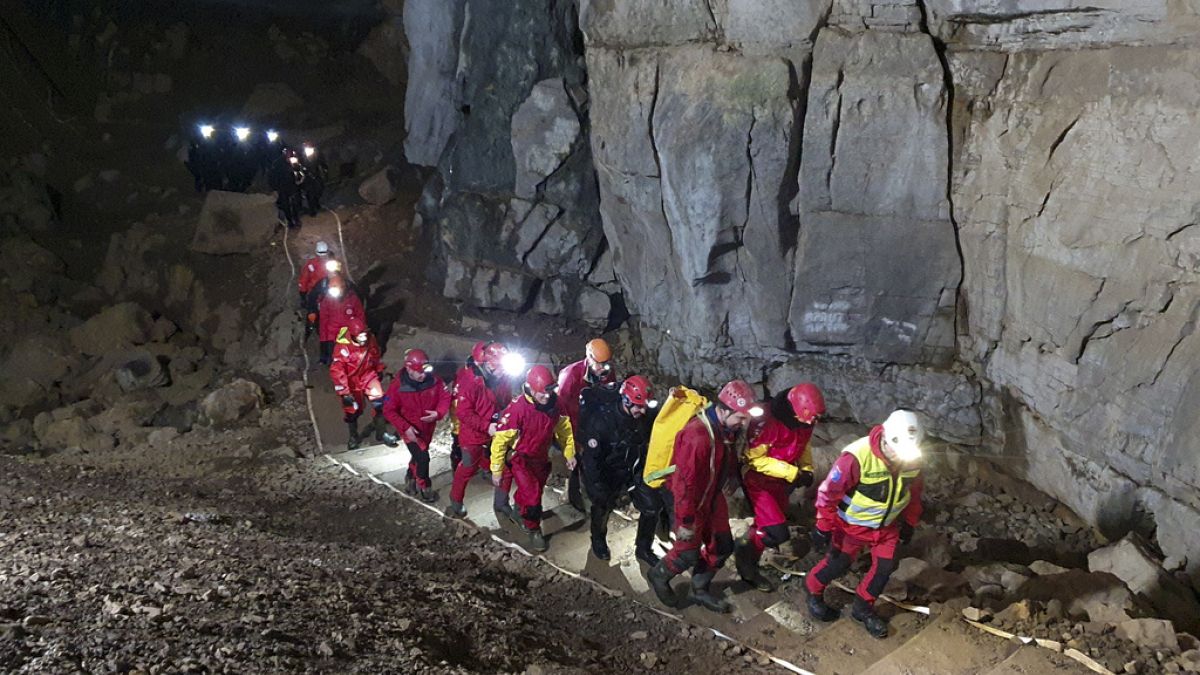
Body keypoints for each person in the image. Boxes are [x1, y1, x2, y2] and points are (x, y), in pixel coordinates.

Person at [804, 409, 926, 639]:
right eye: (897, 451)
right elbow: (828, 493)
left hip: (886, 527)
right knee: (838, 564)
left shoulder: (912, 456)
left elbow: (915, 492)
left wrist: (910, 521)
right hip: (851, 526)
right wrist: (823, 526)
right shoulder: (856, 457)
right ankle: (812, 589)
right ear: (887, 439)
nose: (901, 458)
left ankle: (863, 608)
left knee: (885, 568)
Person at [646, 380, 763, 613]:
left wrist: (729, 476)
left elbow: (725, 455)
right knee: (687, 551)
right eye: (740, 417)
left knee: (722, 545)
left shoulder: (725, 430)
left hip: (711, 496)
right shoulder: (697, 437)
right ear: (723, 410)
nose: (743, 423)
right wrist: (686, 522)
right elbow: (684, 486)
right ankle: (658, 575)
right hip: (691, 502)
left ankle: (699, 589)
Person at [733, 383, 826, 592]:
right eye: (810, 417)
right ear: (797, 409)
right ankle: (744, 552)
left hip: (781, 481)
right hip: (759, 482)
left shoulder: (804, 421)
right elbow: (755, 459)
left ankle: (749, 558)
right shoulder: (767, 422)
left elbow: (804, 444)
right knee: (777, 533)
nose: (812, 422)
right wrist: (793, 473)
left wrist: (806, 468)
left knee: (766, 525)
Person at [489, 365, 576, 553]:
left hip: (540, 456)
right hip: (521, 458)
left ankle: (520, 509)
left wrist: (569, 452)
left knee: (533, 492)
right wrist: (496, 469)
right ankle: (533, 528)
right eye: (541, 394)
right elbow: (500, 441)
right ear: (530, 388)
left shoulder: (555, 404)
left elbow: (564, 430)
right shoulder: (518, 409)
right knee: (533, 495)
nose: (546, 397)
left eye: (549, 392)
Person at [578, 375, 655, 561]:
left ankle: (643, 548)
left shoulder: (644, 417)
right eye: (638, 406)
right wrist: (597, 485)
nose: (642, 410)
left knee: (651, 507)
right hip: (608, 472)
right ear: (626, 400)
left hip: (633, 469)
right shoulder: (602, 422)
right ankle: (598, 539)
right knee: (602, 506)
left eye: (645, 406)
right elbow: (591, 460)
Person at [445, 342, 517, 521]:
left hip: (494, 430)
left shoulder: (502, 377)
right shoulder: (469, 382)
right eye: (499, 368)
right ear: (487, 365)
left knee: (505, 469)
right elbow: (463, 412)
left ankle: (501, 503)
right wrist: (486, 426)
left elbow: (506, 400)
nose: (503, 372)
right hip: (473, 435)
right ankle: (455, 500)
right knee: (468, 467)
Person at [381, 349, 452, 503]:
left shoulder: (434, 380)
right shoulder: (397, 386)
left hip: (427, 428)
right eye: (419, 372)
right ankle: (424, 486)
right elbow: (388, 409)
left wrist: (438, 413)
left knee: (419, 454)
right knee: (423, 457)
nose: (423, 375)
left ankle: (410, 476)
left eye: (424, 371)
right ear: (408, 368)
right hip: (410, 430)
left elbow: (445, 396)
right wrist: (405, 427)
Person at [557, 338, 617, 511]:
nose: (602, 369)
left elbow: (609, 398)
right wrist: (572, 441)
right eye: (599, 364)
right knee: (577, 462)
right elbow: (562, 412)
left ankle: (598, 492)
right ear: (589, 358)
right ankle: (575, 497)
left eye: (606, 364)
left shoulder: (607, 373)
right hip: (573, 424)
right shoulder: (571, 376)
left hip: (594, 424)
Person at [329, 317, 386, 451]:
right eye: (360, 336)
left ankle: (381, 432)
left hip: (368, 375)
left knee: (380, 401)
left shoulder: (370, 339)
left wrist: (378, 369)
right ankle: (353, 436)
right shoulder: (343, 347)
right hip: (351, 381)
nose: (364, 338)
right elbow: (337, 370)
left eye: (365, 334)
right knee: (352, 410)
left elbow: (375, 354)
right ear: (353, 335)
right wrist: (344, 392)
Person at [448, 342, 487, 474]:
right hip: (463, 416)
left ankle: (483, 465)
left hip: (481, 415)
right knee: (460, 443)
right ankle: (459, 467)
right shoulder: (465, 375)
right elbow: (458, 404)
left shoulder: (489, 374)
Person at [316, 273, 364, 366]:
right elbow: (324, 320)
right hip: (333, 335)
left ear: (343, 287)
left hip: (350, 333)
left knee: (352, 358)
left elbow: (360, 316)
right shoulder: (327, 300)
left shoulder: (353, 299)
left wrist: (360, 332)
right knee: (334, 361)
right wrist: (324, 339)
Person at [269, 149, 306, 229]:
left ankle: (296, 219)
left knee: (295, 203)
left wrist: (296, 166)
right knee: (286, 205)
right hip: (282, 187)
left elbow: (298, 170)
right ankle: (290, 222)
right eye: (288, 153)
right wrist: (275, 187)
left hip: (292, 185)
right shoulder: (277, 163)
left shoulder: (293, 160)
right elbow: (273, 176)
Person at [297, 241, 336, 306]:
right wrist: (303, 295)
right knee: (313, 311)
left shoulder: (331, 263)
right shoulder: (311, 264)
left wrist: (303, 294)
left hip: (329, 291)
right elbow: (304, 280)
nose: (323, 256)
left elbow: (338, 275)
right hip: (315, 292)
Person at [299, 143, 328, 215]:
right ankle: (312, 210)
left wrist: (324, 170)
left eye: (311, 149)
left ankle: (316, 203)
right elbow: (299, 168)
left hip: (316, 177)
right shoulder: (302, 158)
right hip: (307, 179)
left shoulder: (317, 156)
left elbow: (322, 164)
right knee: (310, 194)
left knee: (318, 191)